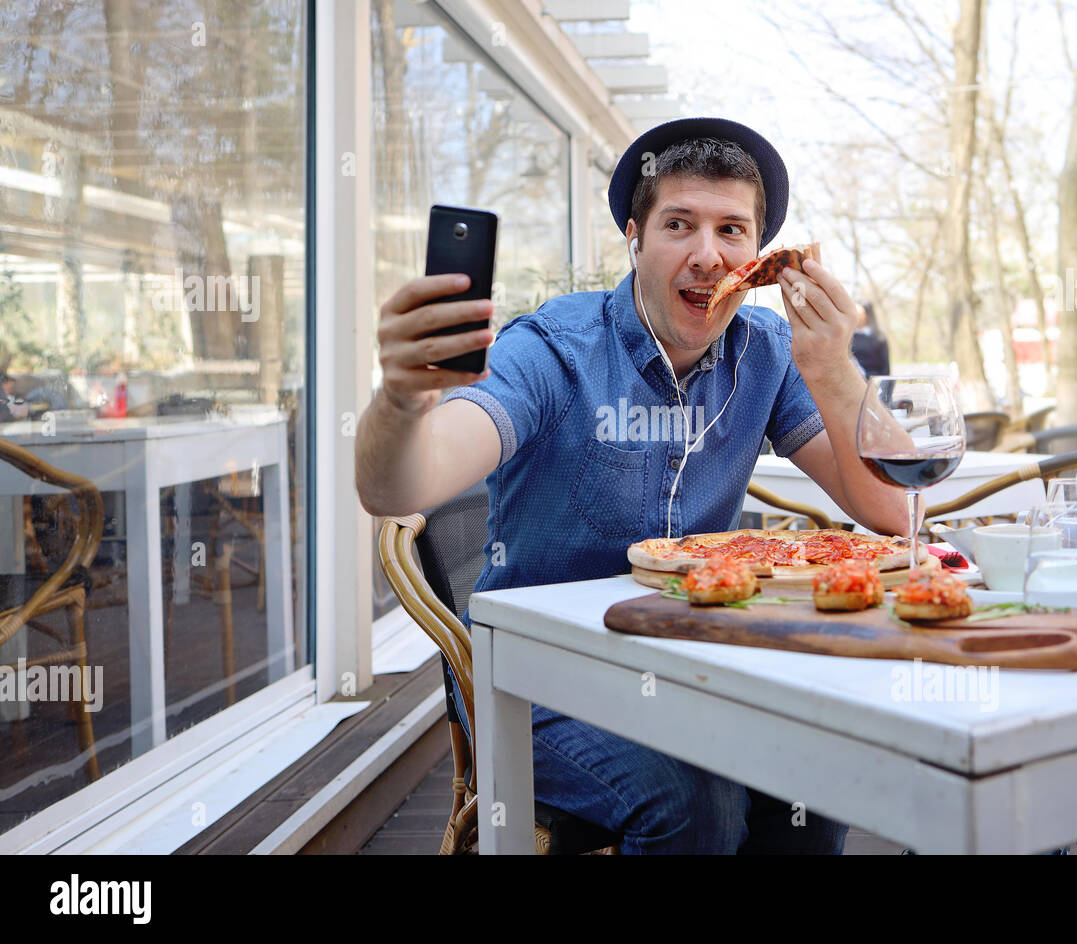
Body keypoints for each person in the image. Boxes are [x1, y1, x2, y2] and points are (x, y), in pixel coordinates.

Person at [355, 118, 912, 854]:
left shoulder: (771, 354)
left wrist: (835, 370)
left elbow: (898, 510)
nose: (707, 255)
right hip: (537, 682)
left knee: (807, 769)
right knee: (697, 802)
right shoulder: (554, 350)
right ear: (635, 237)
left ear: (761, 257)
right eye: (679, 224)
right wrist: (400, 398)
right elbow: (401, 484)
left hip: (692, 666)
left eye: (732, 231)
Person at [849, 300, 890, 378]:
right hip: (852, 381)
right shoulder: (847, 337)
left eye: (860, 313)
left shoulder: (879, 337)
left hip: (873, 381)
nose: (857, 316)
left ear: (867, 314)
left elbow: (885, 369)